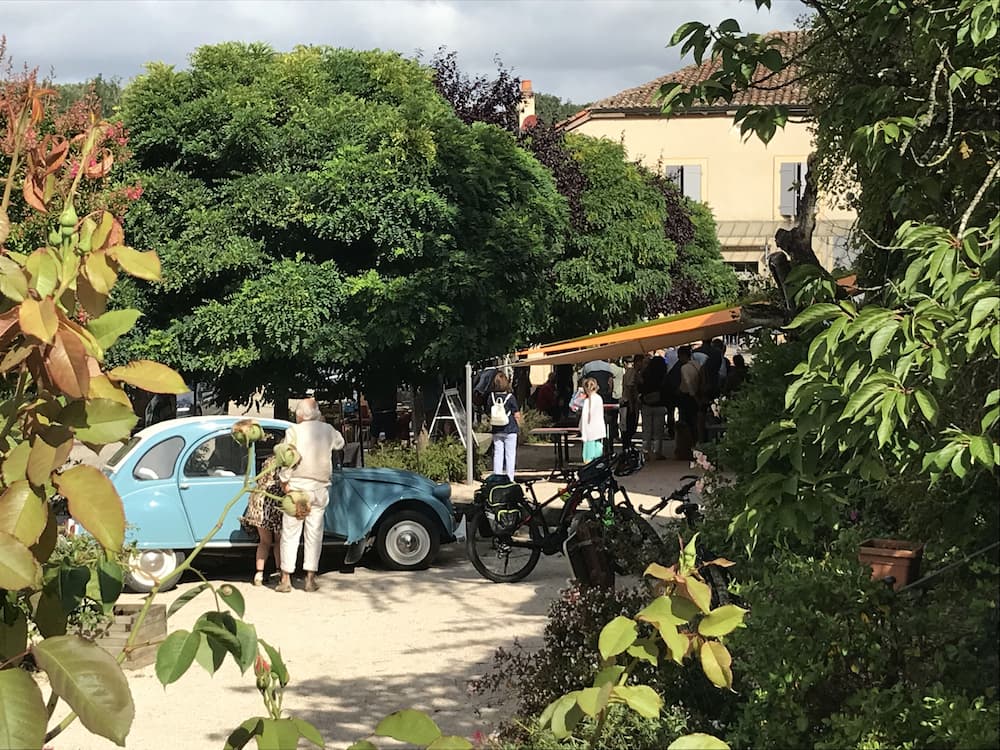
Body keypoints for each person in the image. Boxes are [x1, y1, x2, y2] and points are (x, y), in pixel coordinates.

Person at [276, 397, 345, 593]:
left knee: (290, 534)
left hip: (297, 489)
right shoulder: (328, 430)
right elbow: (340, 444)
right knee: (314, 534)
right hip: (320, 489)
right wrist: (323, 424)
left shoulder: (293, 431)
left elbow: (288, 459)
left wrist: (284, 480)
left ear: (299, 415)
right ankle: (310, 579)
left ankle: (286, 579)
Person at [239, 462, 283, 586]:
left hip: (258, 500)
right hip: (273, 500)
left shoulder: (267, 462)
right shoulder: (284, 464)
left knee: (264, 541)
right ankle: (278, 571)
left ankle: (259, 574)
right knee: (279, 541)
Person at [489, 371, 522, 480]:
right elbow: (516, 413)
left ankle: (497, 477)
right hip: (510, 428)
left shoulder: (492, 397)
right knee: (510, 455)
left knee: (498, 454)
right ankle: (510, 478)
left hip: (496, 429)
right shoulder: (510, 397)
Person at [637, 354, 668, 460]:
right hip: (660, 405)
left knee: (646, 430)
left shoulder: (645, 375)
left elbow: (640, 388)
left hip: (647, 404)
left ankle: (646, 452)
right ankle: (657, 452)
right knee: (658, 432)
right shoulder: (663, 376)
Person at [672, 346, 701, 460]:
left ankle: (685, 448)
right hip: (696, 395)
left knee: (684, 425)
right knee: (695, 423)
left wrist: (692, 394)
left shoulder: (684, 368)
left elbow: (687, 383)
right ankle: (695, 446)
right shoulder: (697, 365)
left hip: (687, 397)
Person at [620, 354, 645, 447]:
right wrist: (631, 405)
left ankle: (627, 443)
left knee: (632, 426)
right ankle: (626, 445)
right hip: (629, 403)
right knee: (629, 426)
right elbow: (629, 388)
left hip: (633, 403)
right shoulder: (632, 372)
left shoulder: (637, 373)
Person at [579, 377, 606, 462]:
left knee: (588, 450)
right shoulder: (599, 398)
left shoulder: (587, 401)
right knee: (598, 447)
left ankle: (588, 462)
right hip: (598, 428)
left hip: (589, 429)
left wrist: (582, 428)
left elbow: (584, 417)